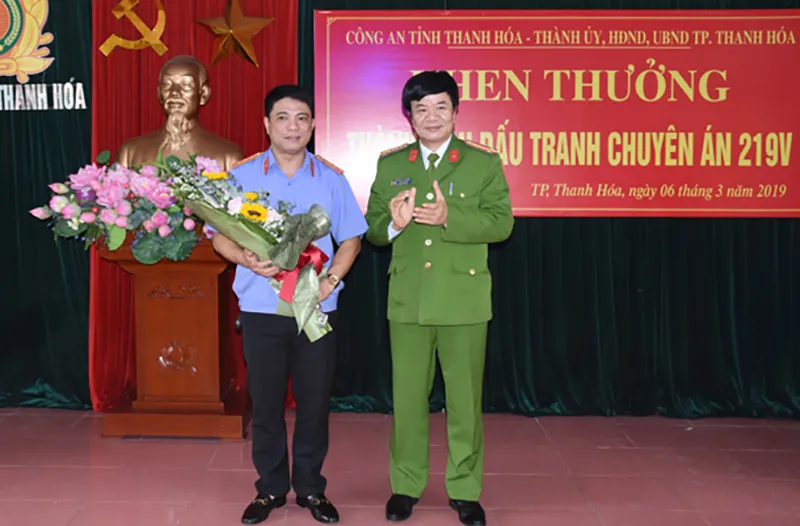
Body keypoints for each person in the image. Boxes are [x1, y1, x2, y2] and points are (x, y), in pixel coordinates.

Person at [209, 85, 368, 525]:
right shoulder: (242, 176)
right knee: (265, 404)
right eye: (282, 117)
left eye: (301, 118)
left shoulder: (331, 179)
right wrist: (245, 257)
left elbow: (351, 240)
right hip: (261, 307)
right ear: (267, 124)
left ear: (313, 125)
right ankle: (270, 489)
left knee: (314, 403)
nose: (292, 127)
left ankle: (312, 489)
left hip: (315, 308)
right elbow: (219, 236)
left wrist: (331, 280)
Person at [364, 71, 514, 526]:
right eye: (421, 109)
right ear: (409, 117)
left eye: (441, 107)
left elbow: (502, 223)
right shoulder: (392, 164)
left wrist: (453, 216)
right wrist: (393, 225)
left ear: (455, 111)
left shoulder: (482, 162)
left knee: (464, 402)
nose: (431, 117)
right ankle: (405, 485)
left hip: (463, 300)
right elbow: (373, 229)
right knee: (408, 400)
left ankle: (465, 489)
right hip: (408, 300)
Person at [116, 54, 244, 170]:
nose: (175, 92)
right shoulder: (130, 152)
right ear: (159, 94)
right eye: (167, 85)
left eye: (186, 85)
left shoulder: (228, 156)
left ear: (203, 94)